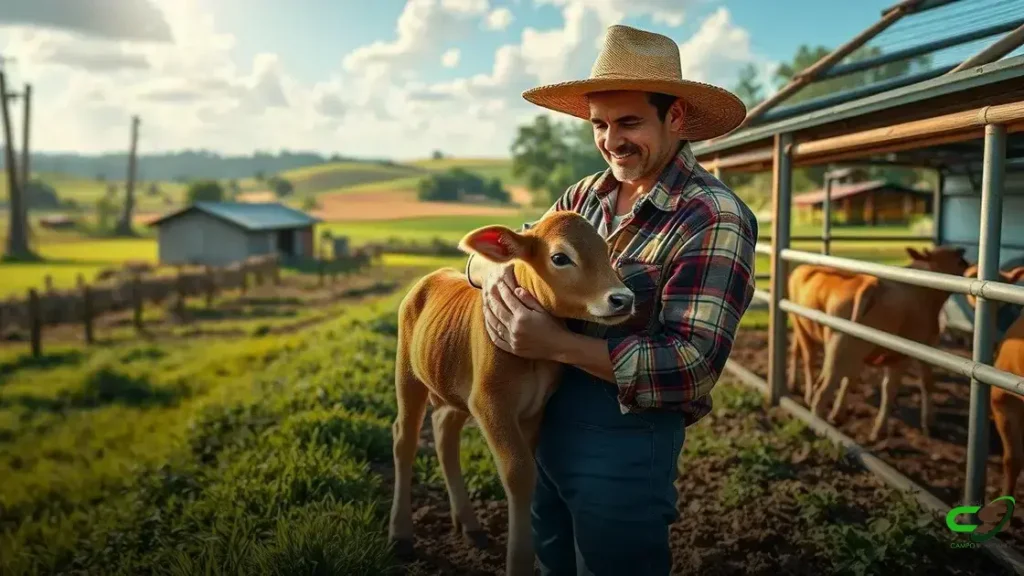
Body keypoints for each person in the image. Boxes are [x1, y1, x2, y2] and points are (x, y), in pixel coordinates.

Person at [464, 24, 759, 576]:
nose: (611, 141)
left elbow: (690, 367)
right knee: (551, 555)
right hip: (541, 419)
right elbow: (504, 251)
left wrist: (554, 344)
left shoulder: (711, 216)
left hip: (625, 440)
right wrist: (490, 273)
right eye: (599, 124)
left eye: (629, 123)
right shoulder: (584, 197)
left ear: (676, 117)